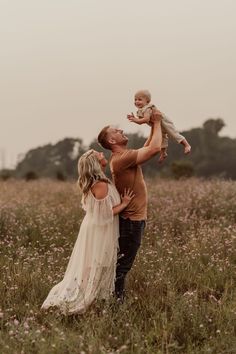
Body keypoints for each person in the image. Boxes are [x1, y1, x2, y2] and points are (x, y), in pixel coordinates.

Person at [41, 150, 134, 314]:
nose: (101, 153)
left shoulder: (100, 181)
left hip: (96, 226)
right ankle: (83, 299)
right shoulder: (100, 184)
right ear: (95, 163)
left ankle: (94, 297)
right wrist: (125, 203)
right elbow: (105, 213)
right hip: (99, 228)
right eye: (98, 154)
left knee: (94, 263)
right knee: (94, 264)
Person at [97, 110, 162, 300]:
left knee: (121, 265)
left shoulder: (124, 156)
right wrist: (157, 124)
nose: (121, 130)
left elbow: (149, 145)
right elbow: (154, 149)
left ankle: (112, 299)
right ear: (112, 141)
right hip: (131, 223)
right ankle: (116, 303)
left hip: (133, 221)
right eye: (116, 131)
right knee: (122, 266)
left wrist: (152, 125)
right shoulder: (120, 160)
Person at [127, 89, 191, 163]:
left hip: (164, 122)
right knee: (162, 138)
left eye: (139, 99)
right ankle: (163, 153)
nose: (137, 101)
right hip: (158, 125)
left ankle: (187, 145)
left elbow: (146, 120)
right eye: (135, 99)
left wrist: (135, 119)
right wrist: (134, 118)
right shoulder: (140, 110)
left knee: (173, 134)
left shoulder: (147, 108)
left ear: (147, 101)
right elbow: (140, 121)